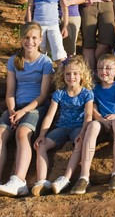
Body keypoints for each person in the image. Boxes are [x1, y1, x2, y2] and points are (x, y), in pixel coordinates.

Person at [0, 22, 53, 198]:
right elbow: (10, 91)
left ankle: (19, 180)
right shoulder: (14, 60)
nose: (30, 41)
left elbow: (43, 95)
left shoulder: (45, 62)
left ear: (40, 40)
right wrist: (12, 111)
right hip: (15, 107)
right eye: (27, 37)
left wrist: (23, 112)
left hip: (35, 107)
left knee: (22, 132)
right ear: (21, 39)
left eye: (34, 38)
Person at [31, 55, 94, 196]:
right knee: (41, 145)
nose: (72, 77)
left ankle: (66, 178)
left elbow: (88, 116)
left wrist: (83, 133)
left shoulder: (87, 94)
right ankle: (42, 181)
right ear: (63, 75)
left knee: (79, 143)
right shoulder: (59, 93)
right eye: (68, 74)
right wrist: (42, 135)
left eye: (75, 73)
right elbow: (50, 115)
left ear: (82, 75)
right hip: (61, 127)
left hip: (77, 127)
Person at [77, 54, 115, 192]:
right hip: (102, 125)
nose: (104, 71)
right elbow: (92, 109)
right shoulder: (94, 89)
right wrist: (102, 119)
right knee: (93, 125)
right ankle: (84, 176)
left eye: (108, 68)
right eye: (100, 68)